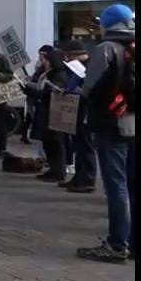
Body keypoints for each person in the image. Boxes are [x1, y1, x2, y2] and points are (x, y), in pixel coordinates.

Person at [77, 4, 135, 263]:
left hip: (111, 123)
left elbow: (89, 88)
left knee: (116, 185)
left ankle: (116, 244)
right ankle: (131, 243)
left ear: (108, 24)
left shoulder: (105, 49)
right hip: (133, 121)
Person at [23, 50, 69, 183]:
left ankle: (58, 171)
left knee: (55, 143)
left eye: (46, 60)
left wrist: (31, 92)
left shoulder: (59, 74)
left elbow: (48, 93)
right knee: (47, 142)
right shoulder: (48, 73)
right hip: (44, 109)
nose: (44, 62)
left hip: (54, 111)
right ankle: (53, 170)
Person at [59, 40, 97, 194]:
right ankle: (79, 177)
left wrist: (76, 91)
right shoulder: (76, 68)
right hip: (77, 108)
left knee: (86, 145)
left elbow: (91, 88)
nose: (67, 59)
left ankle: (88, 179)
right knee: (79, 145)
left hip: (86, 110)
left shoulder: (90, 67)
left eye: (69, 56)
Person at [21, 45, 54, 145]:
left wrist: (30, 85)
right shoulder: (40, 65)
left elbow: (42, 87)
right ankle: (25, 135)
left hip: (40, 97)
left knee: (34, 116)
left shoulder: (50, 69)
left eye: (42, 55)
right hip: (34, 95)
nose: (40, 57)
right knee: (30, 115)